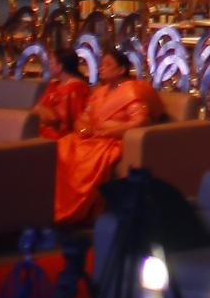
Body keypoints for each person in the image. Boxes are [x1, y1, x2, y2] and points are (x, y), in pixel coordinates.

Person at [51, 47, 159, 223]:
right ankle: (56, 206)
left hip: (112, 140)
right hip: (92, 138)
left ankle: (78, 211)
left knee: (88, 158)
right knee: (63, 145)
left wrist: (108, 130)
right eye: (102, 64)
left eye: (108, 65)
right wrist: (83, 129)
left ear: (121, 69)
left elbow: (140, 122)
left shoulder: (131, 92)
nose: (101, 68)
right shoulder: (99, 92)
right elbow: (83, 118)